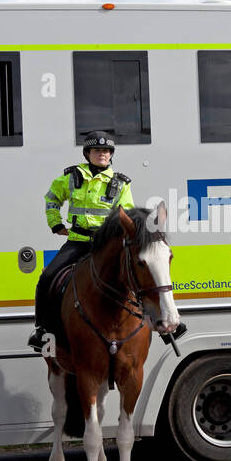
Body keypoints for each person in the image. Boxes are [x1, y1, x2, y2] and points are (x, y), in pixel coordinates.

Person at [28, 131, 134, 350]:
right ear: (88, 153)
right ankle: (42, 330)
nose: (102, 154)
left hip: (105, 245)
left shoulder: (121, 184)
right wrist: (55, 223)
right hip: (78, 241)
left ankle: (160, 323)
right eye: (97, 150)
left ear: (111, 154)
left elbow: (128, 213)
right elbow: (51, 198)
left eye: (106, 151)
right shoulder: (71, 177)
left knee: (137, 274)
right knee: (47, 277)